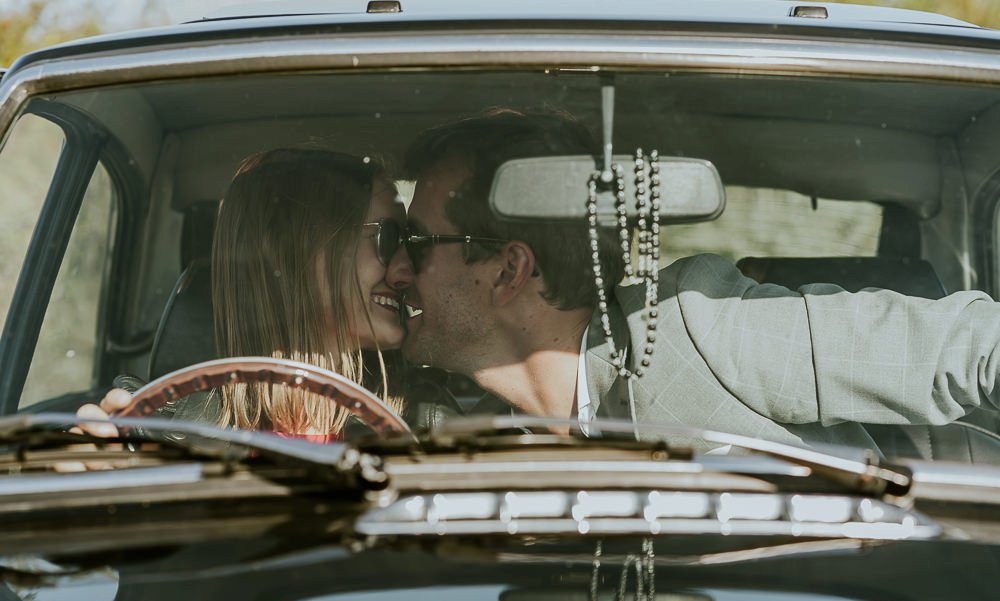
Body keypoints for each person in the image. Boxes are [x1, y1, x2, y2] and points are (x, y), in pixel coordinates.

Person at [384, 108, 1000, 450]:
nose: (399, 268)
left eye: (416, 242)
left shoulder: (697, 327)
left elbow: (969, 347)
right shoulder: (465, 425)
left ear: (509, 270)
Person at [77, 148, 412, 441]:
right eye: (389, 238)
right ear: (298, 250)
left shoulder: (433, 427)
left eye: (410, 242)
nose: (406, 271)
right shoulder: (155, 434)